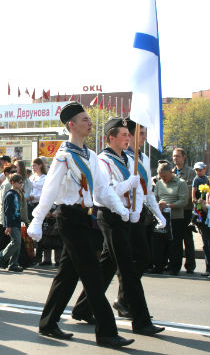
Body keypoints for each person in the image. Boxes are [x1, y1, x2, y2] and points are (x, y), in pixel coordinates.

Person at [27, 103, 134, 348]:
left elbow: (102, 189)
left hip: (87, 218)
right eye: (85, 120)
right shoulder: (64, 156)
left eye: (89, 119)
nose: (89, 123)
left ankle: (48, 322)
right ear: (71, 125)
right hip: (69, 217)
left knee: (68, 274)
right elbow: (49, 191)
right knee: (92, 275)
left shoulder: (91, 156)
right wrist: (37, 219)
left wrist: (119, 207)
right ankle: (107, 332)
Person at [70, 117, 164, 336]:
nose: (128, 138)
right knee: (127, 268)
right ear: (111, 137)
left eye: (129, 135)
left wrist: (138, 211)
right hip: (111, 215)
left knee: (110, 264)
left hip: (126, 216)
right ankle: (140, 320)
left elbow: (141, 189)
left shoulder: (129, 159)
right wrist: (124, 204)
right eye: (125, 134)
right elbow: (106, 191)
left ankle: (83, 307)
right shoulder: (104, 160)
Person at [112, 120, 167, 317]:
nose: (144, 137)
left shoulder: (142, 158)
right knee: (128, 260)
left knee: (136, 258)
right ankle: (127, 302)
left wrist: (158, 215)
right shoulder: (121, 157)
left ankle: (122, 300)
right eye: (141, 133)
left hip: (139, 213)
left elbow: (147, 192)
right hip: (122, 213)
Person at [152, 161, 189, 275]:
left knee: (175, 243)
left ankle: (174, 267)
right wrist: (157, 205)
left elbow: (183, 201)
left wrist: (168, 206)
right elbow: (155, 198)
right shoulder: (159, 183)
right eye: (161, 176)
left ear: (170, 172)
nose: (163, 178)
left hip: (175, 217)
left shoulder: (180, 183)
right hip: (161, 217)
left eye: (165, 176)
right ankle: (159, 265)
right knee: (159, 243)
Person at [0, 174, 28, 272]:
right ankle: (1, 256)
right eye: (19, 182)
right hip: (12, 222)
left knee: (18, 243)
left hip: (17, 221)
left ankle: (13, 264)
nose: (21, 184)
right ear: (13, 183)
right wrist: (8, 226)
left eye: (22, 182)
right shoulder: (10, 194)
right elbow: (7, 211)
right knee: (16, 242)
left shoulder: (17, 193)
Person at [172, 148, 197, 273]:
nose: (175, 158)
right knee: (176, 239)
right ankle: (175, 265)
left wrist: (176, 197)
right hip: (175, 211)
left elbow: (189, 191)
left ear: (184, 157)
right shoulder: (171, 172)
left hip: (186, 209)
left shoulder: (191, 173)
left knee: (187, 238)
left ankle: (190, 265)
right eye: (174, 156)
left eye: (178, 156)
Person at [29, 158, 50, 265]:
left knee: (41, 230)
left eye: (35, 165)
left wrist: (35, 196)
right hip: (31, 204)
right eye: (32, 166)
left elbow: (46, 193)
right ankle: (33, 254)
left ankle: (40, 256)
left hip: (40, 204)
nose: (33, 168)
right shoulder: (32, 177)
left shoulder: (45, 178)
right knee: (33, 230)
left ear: (40, 166)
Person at [191, 162, 210, 276]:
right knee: (207, 243)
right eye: (197, 170)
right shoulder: (197, 180)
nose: (198, 172)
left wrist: (205, 204)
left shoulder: (206, 181)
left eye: (200, 170)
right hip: (204, 216)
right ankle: (208, 268)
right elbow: (193, 190)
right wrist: (195, 199)